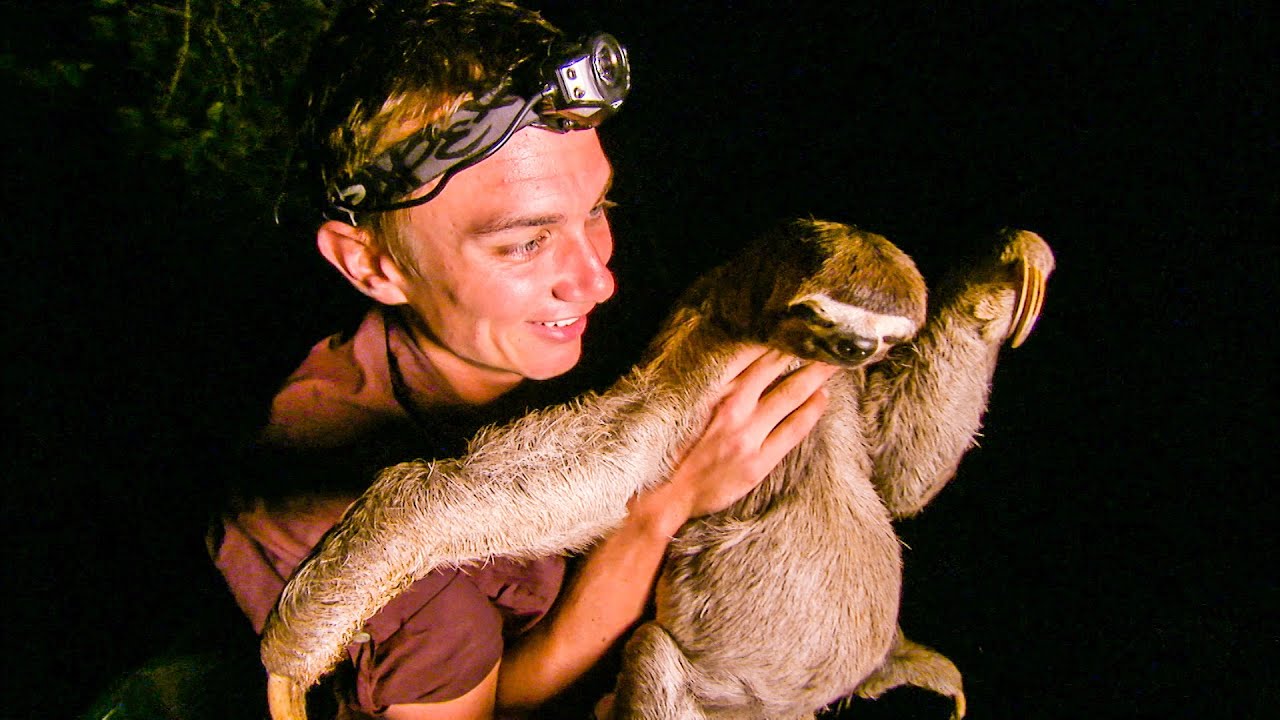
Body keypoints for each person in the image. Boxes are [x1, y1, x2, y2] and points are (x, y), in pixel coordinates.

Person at [208, 2, 838, 718]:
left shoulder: (548, 337)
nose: (598, 281)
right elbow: (501, 705)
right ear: (373, 265)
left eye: (597, 209)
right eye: (523, 244)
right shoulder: (334, 506)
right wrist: (663, 509)